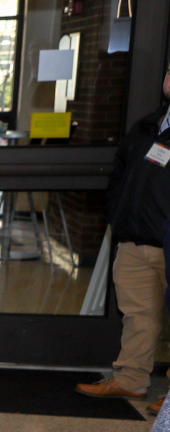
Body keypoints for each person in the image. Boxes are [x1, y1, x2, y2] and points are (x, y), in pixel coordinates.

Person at [78, 61, 170, 408]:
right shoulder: (147, 126)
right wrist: (118, 218)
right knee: (137, 316)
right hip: (134, 241)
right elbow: (119, 175)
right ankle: (131, 380)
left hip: (168, 243)